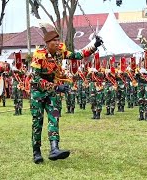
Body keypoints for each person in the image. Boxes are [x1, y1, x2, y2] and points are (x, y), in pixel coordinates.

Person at [30, 30, 103, 164]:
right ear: (47, 43)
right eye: (55, 41)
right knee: (37, 123)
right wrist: (56, 87)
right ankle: (36, 152)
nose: (58, 43)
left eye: (58, 40)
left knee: (54, 118)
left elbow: (78, 55)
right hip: (38, 92)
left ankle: (54, 149)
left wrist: (94, 45)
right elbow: (35, 79)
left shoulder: (60, 52)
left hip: (52, 92)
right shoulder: (39, 55)